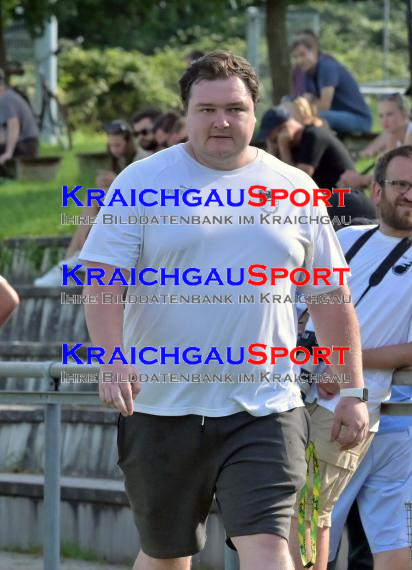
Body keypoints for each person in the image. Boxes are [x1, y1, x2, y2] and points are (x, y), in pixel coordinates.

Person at [79, 50, 369, 570]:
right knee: (166, 554)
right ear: (186, 113)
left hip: (266, 407)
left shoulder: (296, 190)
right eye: (206, 108)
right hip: (161, 406)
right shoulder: (142, 183)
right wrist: (112, 359)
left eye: (234, 108)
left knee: (270, 546)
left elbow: (329, 299)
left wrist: (351, 390)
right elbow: (102, 281)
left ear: (255, 113)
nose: (221, 121)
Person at [290, 145, 412, 570]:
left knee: (308, 515)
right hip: (298, 394)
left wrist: (343, 365)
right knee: (298, 516)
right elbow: (297, 304)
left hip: (353, 407)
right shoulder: (345, 238)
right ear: (376, 191)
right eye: (401, 184)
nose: (410, 194)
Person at [34, 120, 136, 287]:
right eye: (111, 146)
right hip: (125, 206)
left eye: (118, 145)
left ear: (128, 142)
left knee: (93, 198)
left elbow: (140, 189)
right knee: (93, 198)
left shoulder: (141, 158)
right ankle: (72, 259)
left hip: (139, 208)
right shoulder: (119, 159)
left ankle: (74, 260)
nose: (114, 150)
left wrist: (115, 180)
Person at [257, 106, 376, 224]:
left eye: (274, 140)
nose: (274, 145)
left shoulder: (312, 136)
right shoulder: (293, 145)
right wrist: (273, 151)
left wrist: (283, 148)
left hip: (348, 206)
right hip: (329, 205)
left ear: (284, 129)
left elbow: (296, 183)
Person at [290, 38, 372, 135]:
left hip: (359, 120)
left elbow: (324, 106)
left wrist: (305, 108)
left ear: (314, 51)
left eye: (302, 54)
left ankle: (325, 147)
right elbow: (304, 102)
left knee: (317, 117)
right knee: (287, 108)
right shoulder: (307, 72)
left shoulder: (327, 66)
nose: (299, 60)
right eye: (295, 57)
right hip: (335, 115)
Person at [338, 93, 412, 190]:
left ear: (404, 113)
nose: (384, 121)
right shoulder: (393, 135)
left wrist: (362, 180)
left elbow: (400, 177)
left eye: (389, 114)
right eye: (381, 116)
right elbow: (387, 173)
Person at [0, 68, 39, 176]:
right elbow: (3, 135)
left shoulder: (5, 99)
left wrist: (8, 153)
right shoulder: (7, 96)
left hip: (25, 146)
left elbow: (13, 125)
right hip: (26, 145)